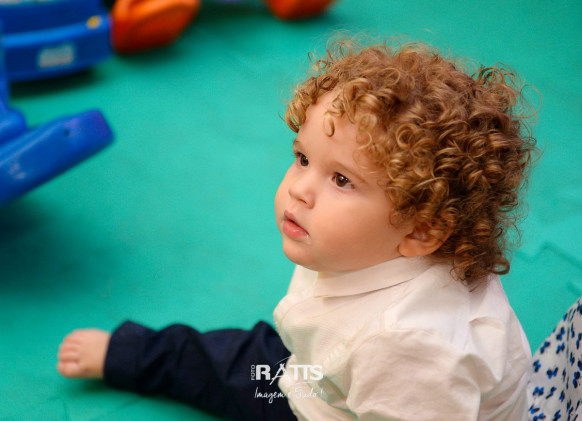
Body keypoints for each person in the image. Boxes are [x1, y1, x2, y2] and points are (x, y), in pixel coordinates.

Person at [57, 39, 537, 420]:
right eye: (303, 158)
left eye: (342, 180)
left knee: (242, 369)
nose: (299, 189)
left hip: (332, 399)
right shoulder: (370, 247)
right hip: (318, 377)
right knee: (232, 362)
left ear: (422, 231)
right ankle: (135, 354)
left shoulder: (410, 351)